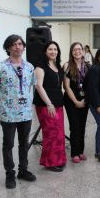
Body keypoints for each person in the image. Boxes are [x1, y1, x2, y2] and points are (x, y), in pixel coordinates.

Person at [0, 34, 37, 189]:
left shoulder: (29, 67)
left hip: (25, 114)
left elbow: (30, 87)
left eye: (20, 44)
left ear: (23, 47)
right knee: (8, 144)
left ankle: (23, 170)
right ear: (8, 48)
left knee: (24, 143)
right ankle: (9, 173)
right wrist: (2, 106)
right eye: (14, 44)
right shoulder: (0, 67)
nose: (18, 47)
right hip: (8, 115)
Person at [33, 41, 66, 172]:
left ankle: (59, 159)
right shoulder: (40, 67)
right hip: (46, 105)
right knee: (51, 133)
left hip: (58, 103)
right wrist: (49, 103)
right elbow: (38, 86)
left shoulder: (57, 65)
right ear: (45, 51)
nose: (53, 51)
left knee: (59, 133)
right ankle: (50, 162)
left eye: (55, 49)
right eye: (50, 49)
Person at [63, 42, 89, 163]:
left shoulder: (88, 66)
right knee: (75, 127)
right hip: (71, 101)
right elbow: (66, 87)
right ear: (71, 52)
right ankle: (74, 153)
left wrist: (85, 99)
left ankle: (80, 151)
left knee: (82, 126)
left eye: (79, 49)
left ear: (83, 51)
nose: (77, 51)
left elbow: (90, 85)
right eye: (74, 50)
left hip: (84, 100)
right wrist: (76, 101)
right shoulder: (67, 66)